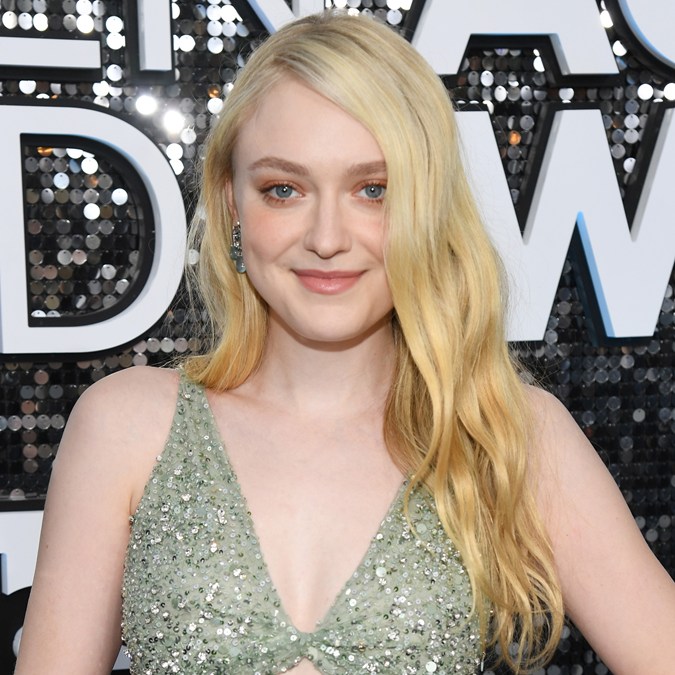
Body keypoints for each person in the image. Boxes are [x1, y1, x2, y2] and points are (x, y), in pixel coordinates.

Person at [14, 10, 675, 675]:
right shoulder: (126, 426)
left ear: (426, 207)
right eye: (283, 190)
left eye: (373, 190)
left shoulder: (502, 433)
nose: (327, 238)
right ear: (232, 203)